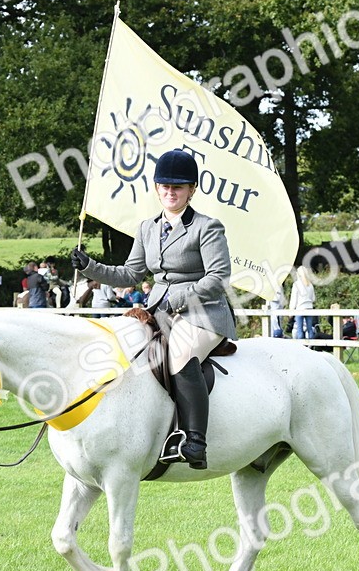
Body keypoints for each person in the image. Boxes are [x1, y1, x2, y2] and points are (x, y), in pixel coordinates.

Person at [70, 148, 236, 470]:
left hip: (203, 313)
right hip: (160, 311)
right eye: (165, 186)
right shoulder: (148, 227)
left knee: (179, 355)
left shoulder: (207, 227)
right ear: (157, 188)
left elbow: (218, 278)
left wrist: (178, 299)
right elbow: (130, 274)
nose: (171, 192)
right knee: (123, 345)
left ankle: (195, 441)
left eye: (178, 187)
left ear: (192, 190)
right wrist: (90, 266)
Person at [290, 266, 317, 340]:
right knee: (310, 329)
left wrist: (291, 310)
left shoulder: (296, 284)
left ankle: (301, 345)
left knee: (299, 330)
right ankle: (311, 345)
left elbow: (294, 299)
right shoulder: (310, 285)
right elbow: (313, 298)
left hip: (300, 308)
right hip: (309, 308)